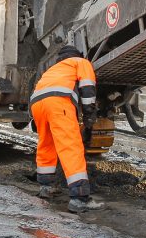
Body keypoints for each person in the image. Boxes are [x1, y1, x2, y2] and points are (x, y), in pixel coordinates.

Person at [30, 45, 103, 213]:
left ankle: (46, 187)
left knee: (46, 144)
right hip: (58, 102)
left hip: (37, 105)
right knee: (70, 146)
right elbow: (87, 88)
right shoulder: (80, 62)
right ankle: (79, 198)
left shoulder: (52, 69)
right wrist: (89, 114)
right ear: (76, 55)